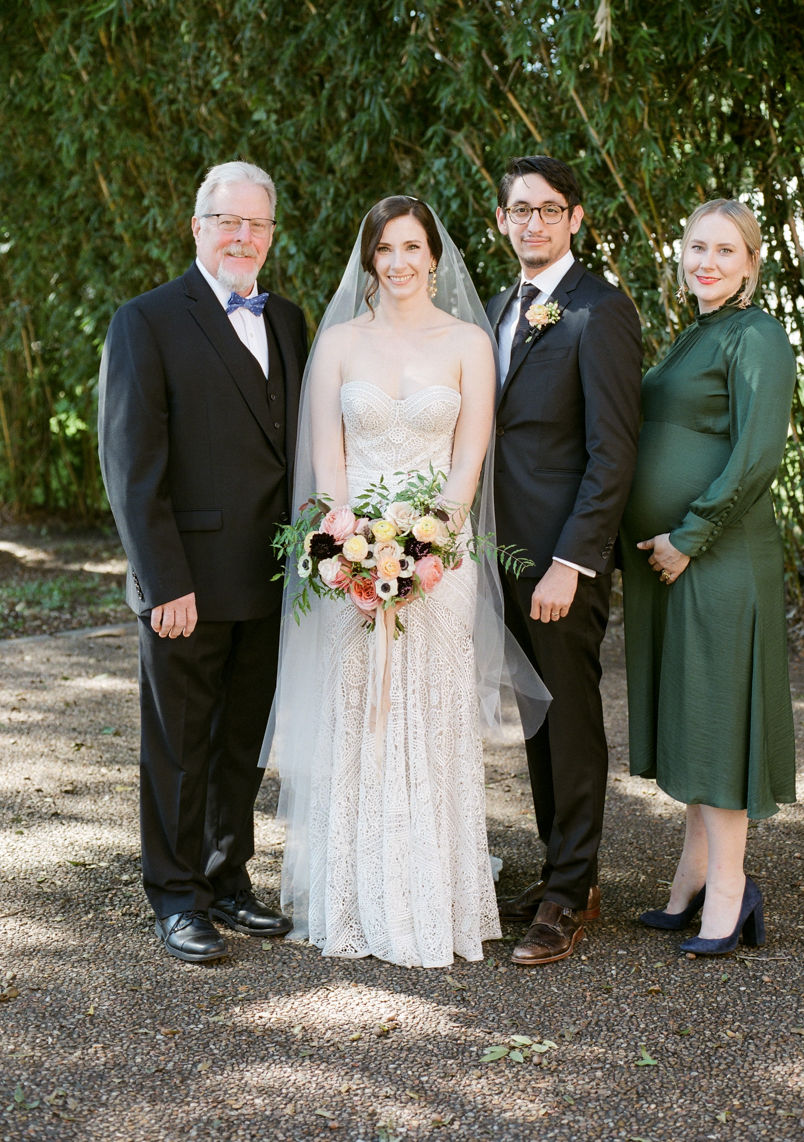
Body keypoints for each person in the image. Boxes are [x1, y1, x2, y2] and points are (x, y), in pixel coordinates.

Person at [265, 196, 548, 968]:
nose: (398, 261)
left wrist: (431, 546)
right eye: (384, 248)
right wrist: (353, 549)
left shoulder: (467, 341)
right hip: (354, 557)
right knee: (362, 715)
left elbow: (468, 460)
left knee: (430, 713)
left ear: (435, 256)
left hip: (442, 559)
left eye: (412, 246)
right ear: (369, 258)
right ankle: (354, 896)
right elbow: (329, 464)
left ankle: (434, 896)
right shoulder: (340, 345)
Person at [98, 160, 309, 962]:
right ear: (198, 227)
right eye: (229, 221)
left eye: (257, 224)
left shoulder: (287, 319)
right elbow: (131, 464)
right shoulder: (146, 320)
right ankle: (176, 894)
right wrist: (163, 581)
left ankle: (227, 878)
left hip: (270, 575)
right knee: (179, 744)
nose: (242, 236)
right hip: (186, 578)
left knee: (240, 742)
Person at [620, 198, 796, 956]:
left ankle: (731, 889)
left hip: (718, 556)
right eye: (697, 247)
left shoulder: (758, 335)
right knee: (693, 708)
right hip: (674, 558)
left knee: (719, 717)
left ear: (751, 263)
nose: (709, 262)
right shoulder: (697, 333)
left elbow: (756, 455)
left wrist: (689, 535)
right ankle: (692, 872)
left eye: (726, 250)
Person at [488, 156, 643, 966]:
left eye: (550, 210)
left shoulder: (599, 311)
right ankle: (559, 867)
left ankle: (573, 887)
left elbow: (612, 452)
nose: (534, 223)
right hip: (495, 558)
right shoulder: (491, 310)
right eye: (520, 210)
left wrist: (573, 561)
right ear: (501, 221)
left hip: (559, 561)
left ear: (576, 218)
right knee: (535, 717)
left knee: (571, 716)